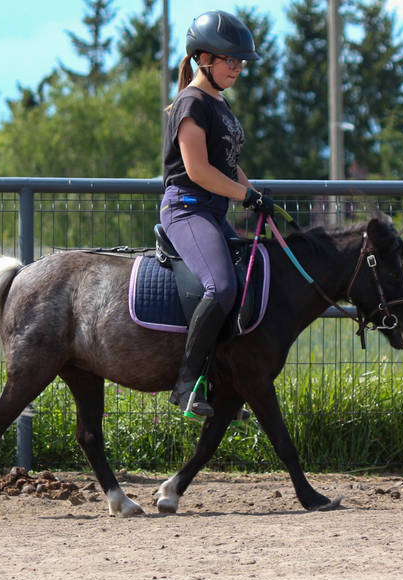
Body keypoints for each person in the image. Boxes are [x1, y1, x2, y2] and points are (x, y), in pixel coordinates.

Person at [161, 9, 276, 420]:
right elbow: (198, 172)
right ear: (203, 58)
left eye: (241, 62)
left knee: (248, 284)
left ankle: (223, 382)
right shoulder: (192, 103)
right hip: (187, 209)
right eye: (231, 60)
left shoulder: (218, 102)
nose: (238, 68)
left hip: (211, 210)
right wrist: (245, 196)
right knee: (222, 287)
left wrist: (254, 192)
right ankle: (186, 386)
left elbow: (226, 164)